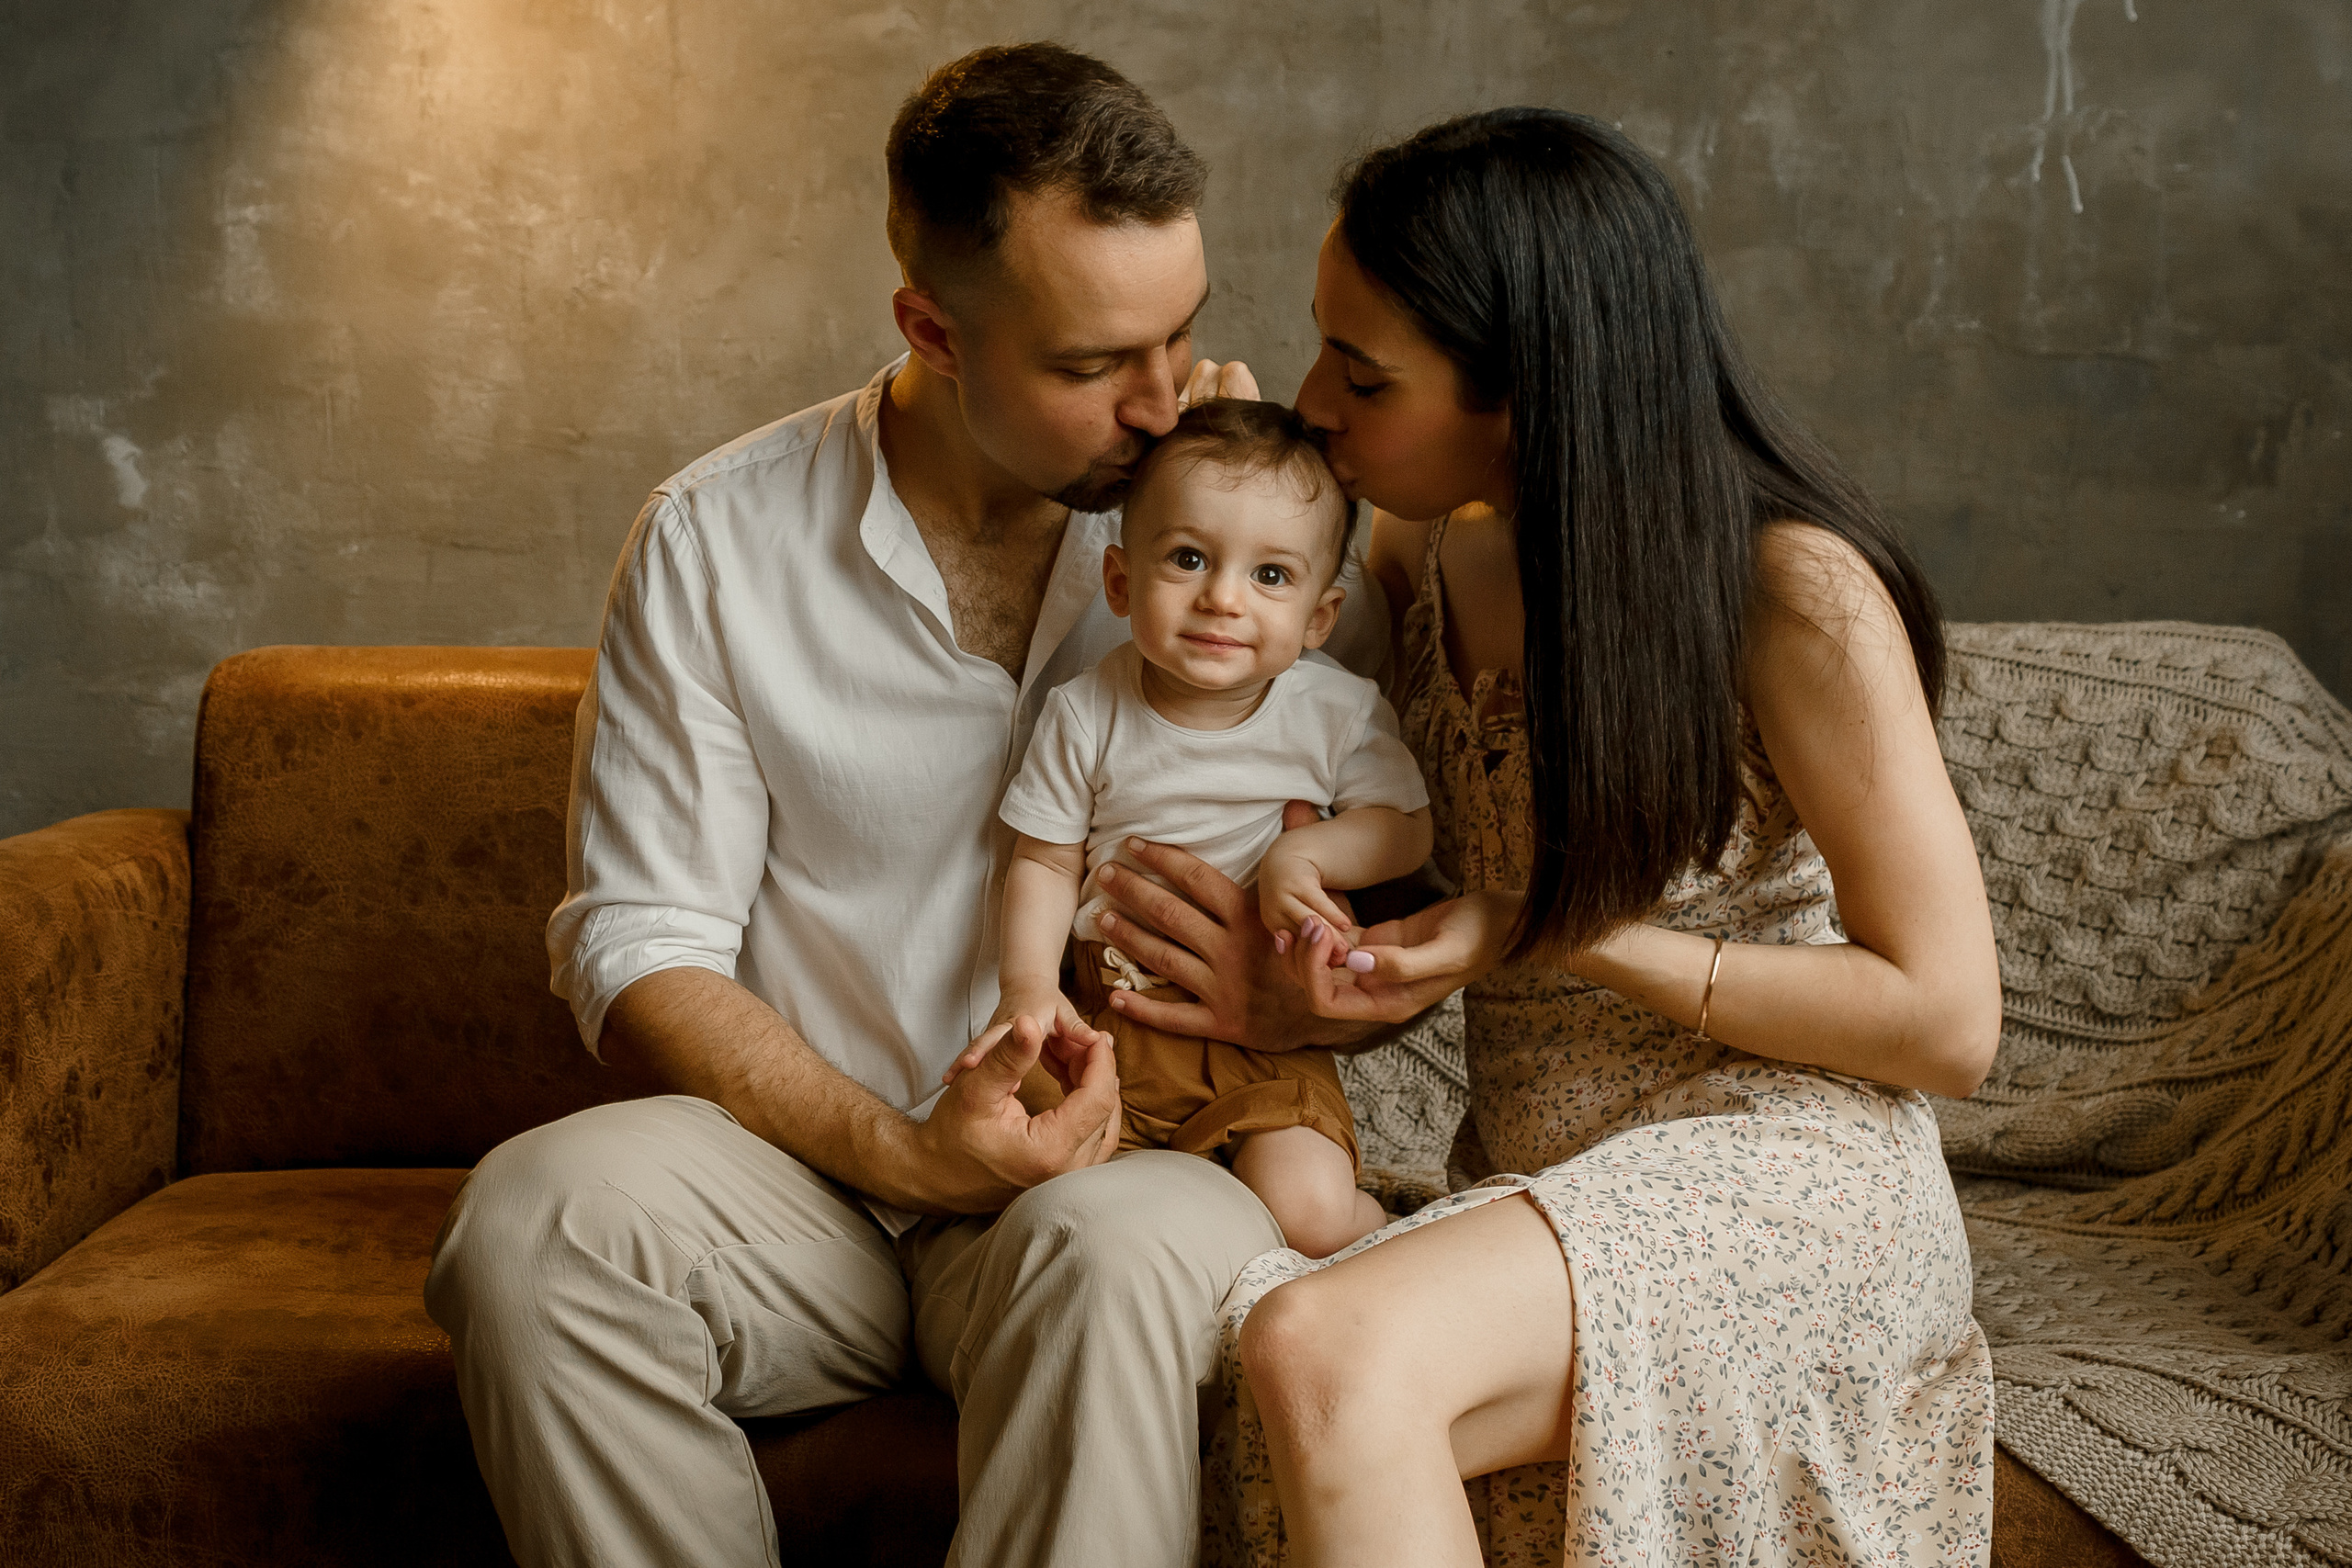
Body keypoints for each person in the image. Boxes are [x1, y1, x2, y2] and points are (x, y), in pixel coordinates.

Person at [424, 44, 1363, 1568]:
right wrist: (902, 1149)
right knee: (536, 1221)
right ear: (932, 328)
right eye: (1089, 365)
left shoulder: (1260, 527)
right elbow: (642, 938)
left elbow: (1408, 877)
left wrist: (1302, 1004)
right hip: (820, 1183)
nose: (1158, 404)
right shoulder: (715, 538)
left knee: (1114, 1251)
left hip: (1132, 1173)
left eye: (1178, 337)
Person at [1198, 110, 2003, 1567]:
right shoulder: (1415, 545)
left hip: (1786, 1163)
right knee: (1270, 1353)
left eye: (1363, 375)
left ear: (1528, 393)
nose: (1315, 399)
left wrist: (1549, 925)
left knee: (1322, 1347)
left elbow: (1949, 1022)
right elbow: (1410, 875)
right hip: (1542, 1173)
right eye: (1322, 347)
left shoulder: (1791, 593)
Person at [961, 397, 1432, 1258]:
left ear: (1319, 618)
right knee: (1027, 1182)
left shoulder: (1328, 709)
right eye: (1188, 558)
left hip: (1268, 1036)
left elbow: (1406, 828)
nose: (1223, 598)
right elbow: (1044, 858)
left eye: (1271, 576)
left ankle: (1405, 1240)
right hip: (1108, 1028)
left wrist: (1307, 851)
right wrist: (1029, 985)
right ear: (1120, 582)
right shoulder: (1086, 710)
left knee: (1310, 1213)